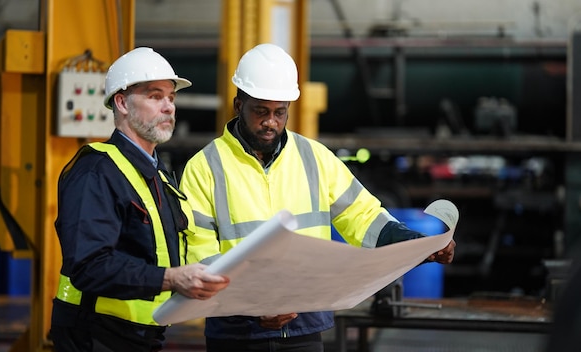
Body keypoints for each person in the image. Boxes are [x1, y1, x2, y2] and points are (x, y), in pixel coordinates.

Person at [179, 43, 456, 352]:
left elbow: (363, 217)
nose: (271, 122)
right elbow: (201, 259)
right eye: (260, 112)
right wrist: (255, 306)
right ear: (237, 105)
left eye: (279, 112)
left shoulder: (314, 158)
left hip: (304, 329)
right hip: (236, 332)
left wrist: (418, 243)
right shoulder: (205, 168)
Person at [50, 47, 230, 352]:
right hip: (94, 337)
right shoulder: (96, 172)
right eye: (155, 96)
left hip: (141, 337)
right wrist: (171, 278)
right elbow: (89, 266)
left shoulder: (158, 177)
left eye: (171, 98)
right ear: (121, 102)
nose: (169, 107)